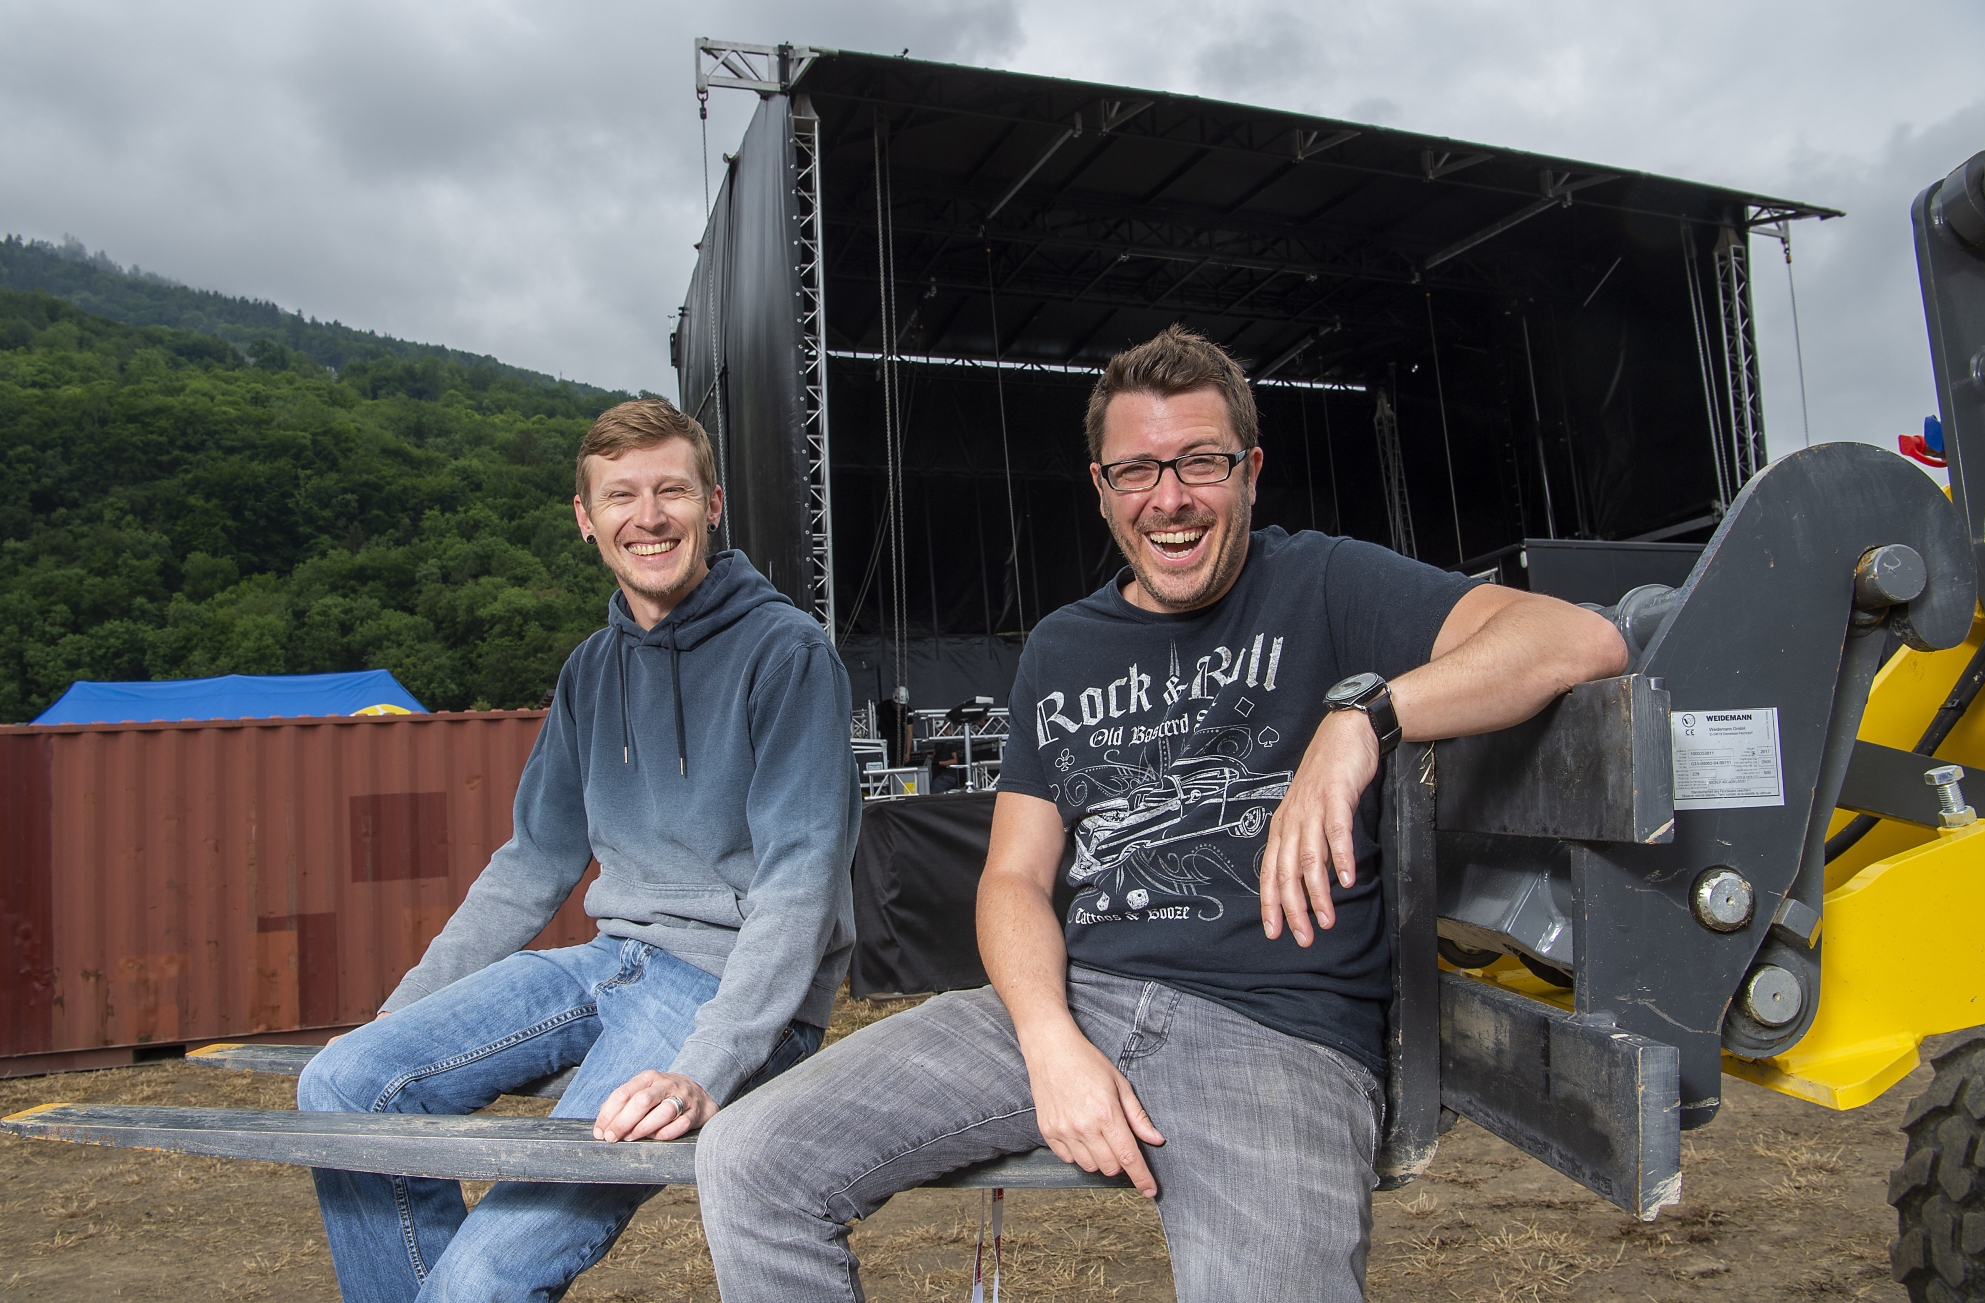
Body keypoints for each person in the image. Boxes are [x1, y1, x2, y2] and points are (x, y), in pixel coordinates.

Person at [694, 326, 1629, 1301]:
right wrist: (1050, 1040)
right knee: (750, 1159)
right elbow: (1011, 878)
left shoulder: (1325, 582)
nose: (1168, 498)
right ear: (1101, 488)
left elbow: (1577, 637)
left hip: (1274, 1037)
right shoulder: (1059, 646)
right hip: (1069, 1005)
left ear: (1250, 470)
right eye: (1136, 469)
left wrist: (1366, 717)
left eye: (1199, 463)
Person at [299, 398, 862, 1302]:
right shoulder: (588, 672)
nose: (649, 517)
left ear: (711, 505)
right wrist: (400, 1015)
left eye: (672, 490)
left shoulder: (787, 654)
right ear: (585, 518)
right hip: (607, 961)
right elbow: (531, 861)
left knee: (482, 1278)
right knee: (343, 1083)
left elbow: (800, 886)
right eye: (621, 496)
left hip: (724, 991)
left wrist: (703, 1069)